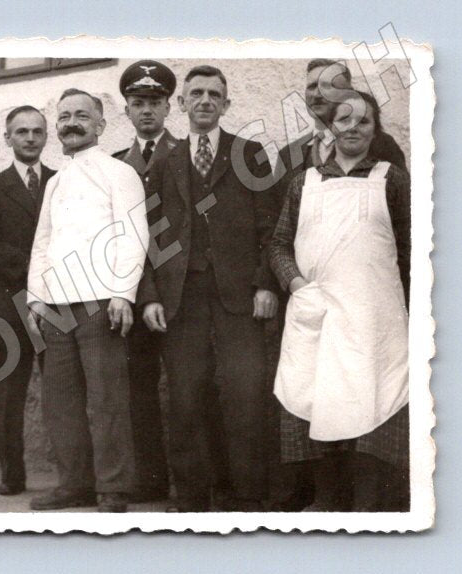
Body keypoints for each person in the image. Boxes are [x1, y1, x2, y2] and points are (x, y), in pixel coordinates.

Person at [137, 65, 279, 512]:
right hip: (181, 297)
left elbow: (270, 227)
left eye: (214, 95)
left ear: (226, 104)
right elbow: (145, 233)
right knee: (186, 396)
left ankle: (246, 495)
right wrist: (151, 295)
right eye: (195, 94)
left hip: (240, 295)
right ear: (180, 104)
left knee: (246, 391)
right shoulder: (164, 160)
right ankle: (193, 497)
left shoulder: (249, 153)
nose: (204, 101)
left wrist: (264, 284)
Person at [268, 58, 408, 510]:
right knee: (317, 399)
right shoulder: (302, 181)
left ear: (374, 129)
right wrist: (295, 286)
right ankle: (327, 504)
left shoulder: (391, 179)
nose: (353, 127)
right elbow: (278, 245)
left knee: (373, 402)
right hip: (318, 310)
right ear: (331, 124)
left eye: (363, 120)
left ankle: (366, 507)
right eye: (344, 118)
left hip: (373, 314)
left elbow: (411, 248)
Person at [26, 89, 149, 513]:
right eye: (64, 117)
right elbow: (43, 242)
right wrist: (38, 299)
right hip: (57, 307)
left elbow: (134, 234)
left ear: (100, 125)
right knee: (61, 403)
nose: (71, 123)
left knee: (106, 400)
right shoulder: (55, 182)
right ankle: (73, 484)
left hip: (100, 303)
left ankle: (113, 488)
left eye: (82, 115)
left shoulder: (119, 172)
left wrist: (122, 294)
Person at [111, 60, 179, 503]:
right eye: (138, 103)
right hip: (135, 290)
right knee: (137, 386)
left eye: (155, 102)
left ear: (169, 107)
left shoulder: (187, 153)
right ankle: (150, 478)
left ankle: (193, 481)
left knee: (186, 387)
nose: (147, 111)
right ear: (127, 111)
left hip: (179, 289)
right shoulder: (118, 164)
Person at [0, 105, 55, 496]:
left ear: (47, 137)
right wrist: (35, 271)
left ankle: (72, 475)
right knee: (9, 394)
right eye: (21, 131)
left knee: (61, 388)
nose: (30, 138)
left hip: (57, 302)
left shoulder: (62, 181)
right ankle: (12, 474)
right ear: (7, 138)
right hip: (9, 302)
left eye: (37, 131)